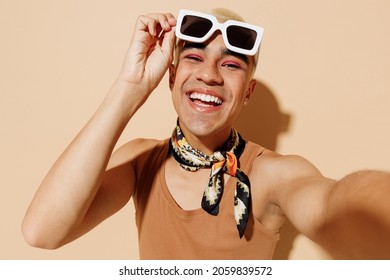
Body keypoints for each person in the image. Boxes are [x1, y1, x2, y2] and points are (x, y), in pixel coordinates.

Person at [22, 8, 390, 259]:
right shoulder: (140, 162)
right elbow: (42, 232)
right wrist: (130, 88)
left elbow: (333, 206)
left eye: (230, 64)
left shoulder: (271, 174)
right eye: (194, 58)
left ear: (248, 92)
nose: (210, 74)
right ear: (169, 75)